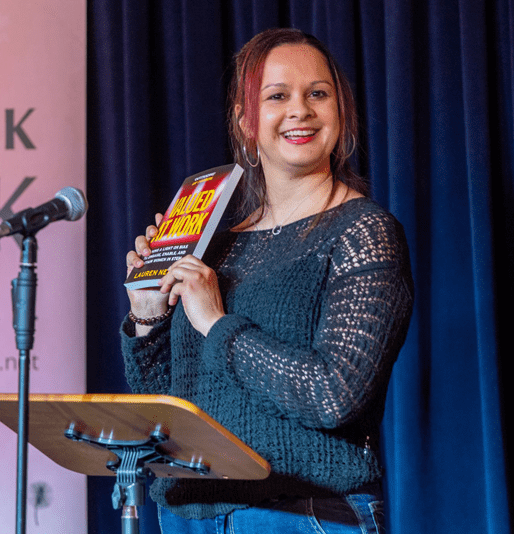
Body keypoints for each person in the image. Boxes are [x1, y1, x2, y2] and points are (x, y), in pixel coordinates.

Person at [121, 28, 414, 534]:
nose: (300, 110)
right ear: (245, 122)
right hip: (188, 514)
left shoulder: (364, 231)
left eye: (317, 94)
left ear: (339, 113)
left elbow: (334, 394)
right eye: (277, 96)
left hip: (299, 515)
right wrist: (148, 313)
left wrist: (217, 324)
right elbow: (170, 401)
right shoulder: (212, 241)